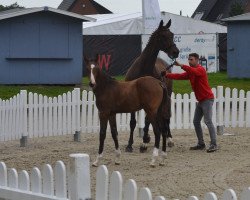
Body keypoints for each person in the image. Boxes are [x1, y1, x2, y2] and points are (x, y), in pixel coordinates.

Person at [161, 53, 218, 153]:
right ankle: (201, 143)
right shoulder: (192, 72)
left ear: (197, 60)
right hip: (201, 100)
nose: (189, 61)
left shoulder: (200, 70)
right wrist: (166, 75)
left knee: (208, 121)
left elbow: (191, 70)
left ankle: (214, 144)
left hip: (207, 99)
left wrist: (181, 65)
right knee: (196, 122)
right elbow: (179, 76)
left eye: (191, 59)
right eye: (188, 60)